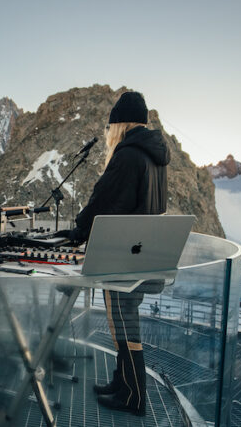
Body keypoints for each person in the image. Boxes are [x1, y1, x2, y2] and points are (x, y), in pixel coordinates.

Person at [57, 90, 170, 416]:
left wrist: (79, 229)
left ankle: (133, 396)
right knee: (123, 321)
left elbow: (105, 202)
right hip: (142, 251)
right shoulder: (154, 155)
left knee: (123, 323)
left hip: (122, 253)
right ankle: (122, 384)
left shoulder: (128, 155)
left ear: (119, 125)